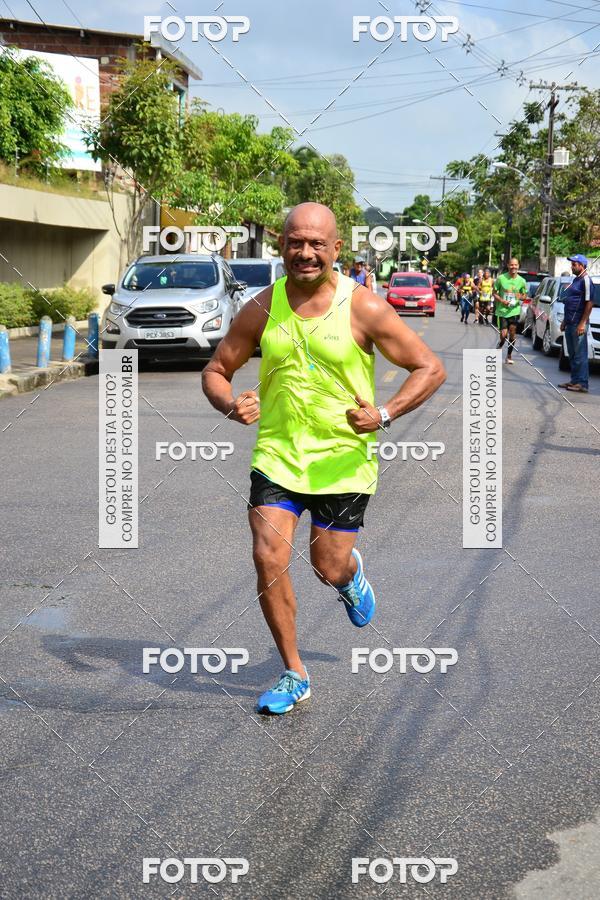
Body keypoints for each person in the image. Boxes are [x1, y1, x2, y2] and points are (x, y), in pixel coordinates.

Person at [202, 202, 446, 715]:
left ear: (337, 248)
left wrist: (384, 413)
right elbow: (216, 370)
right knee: (268, 557)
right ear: (281, 246)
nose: (306, 252)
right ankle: (294, 673)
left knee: (326, 566)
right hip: (278, 458)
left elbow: (429, 367)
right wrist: (229, 404)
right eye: (296, 242)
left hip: (343, 463)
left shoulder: (364, 307)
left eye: (317, 243)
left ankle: (348, 576)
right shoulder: (262, 308)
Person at [558, 254, 595, 393]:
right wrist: (564, 321)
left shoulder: (586, 280)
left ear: (582, 265)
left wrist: (582, 323)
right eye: (571, 264)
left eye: (574, 264)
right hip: (570, 323)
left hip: (578, 323)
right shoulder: (576, 280)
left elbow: (589, 303)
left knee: (580, 354)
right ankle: (574, 380)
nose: (571, 267)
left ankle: (582, 383)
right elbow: (570, 303)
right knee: (572, 354)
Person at [493, 258, 528, 364]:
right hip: (502, 311)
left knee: (512, 334)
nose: (514, 267)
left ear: (518, 266)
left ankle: (509, 355)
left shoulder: (522, 281)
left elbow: (524, 296)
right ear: (508, 265)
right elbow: (494, 293)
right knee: (504, 335)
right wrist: (502, 300)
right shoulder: (501, 278)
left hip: (514, 311)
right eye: (511, 265)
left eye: (515, 265)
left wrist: (520, 296)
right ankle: (500, 345)